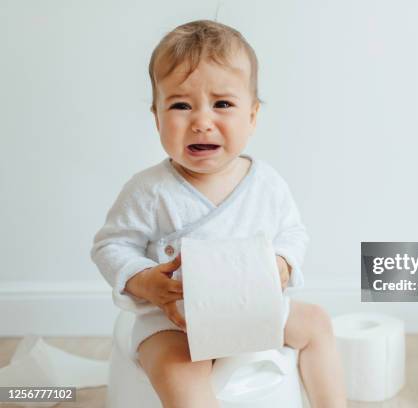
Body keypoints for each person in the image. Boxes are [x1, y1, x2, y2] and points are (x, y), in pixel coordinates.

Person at [91, 19, 346, 408]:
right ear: (157, 117)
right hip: (175, 322)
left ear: (253, 115)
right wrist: (145, 282)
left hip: (253, 308)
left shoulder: (267, 184)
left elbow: (293, 233)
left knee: (316, 324)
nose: (201, 121)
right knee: (179, 373)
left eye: (222, 104)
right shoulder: (149, 190)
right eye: (180, 105)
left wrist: (282, 263)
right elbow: (111, 246)